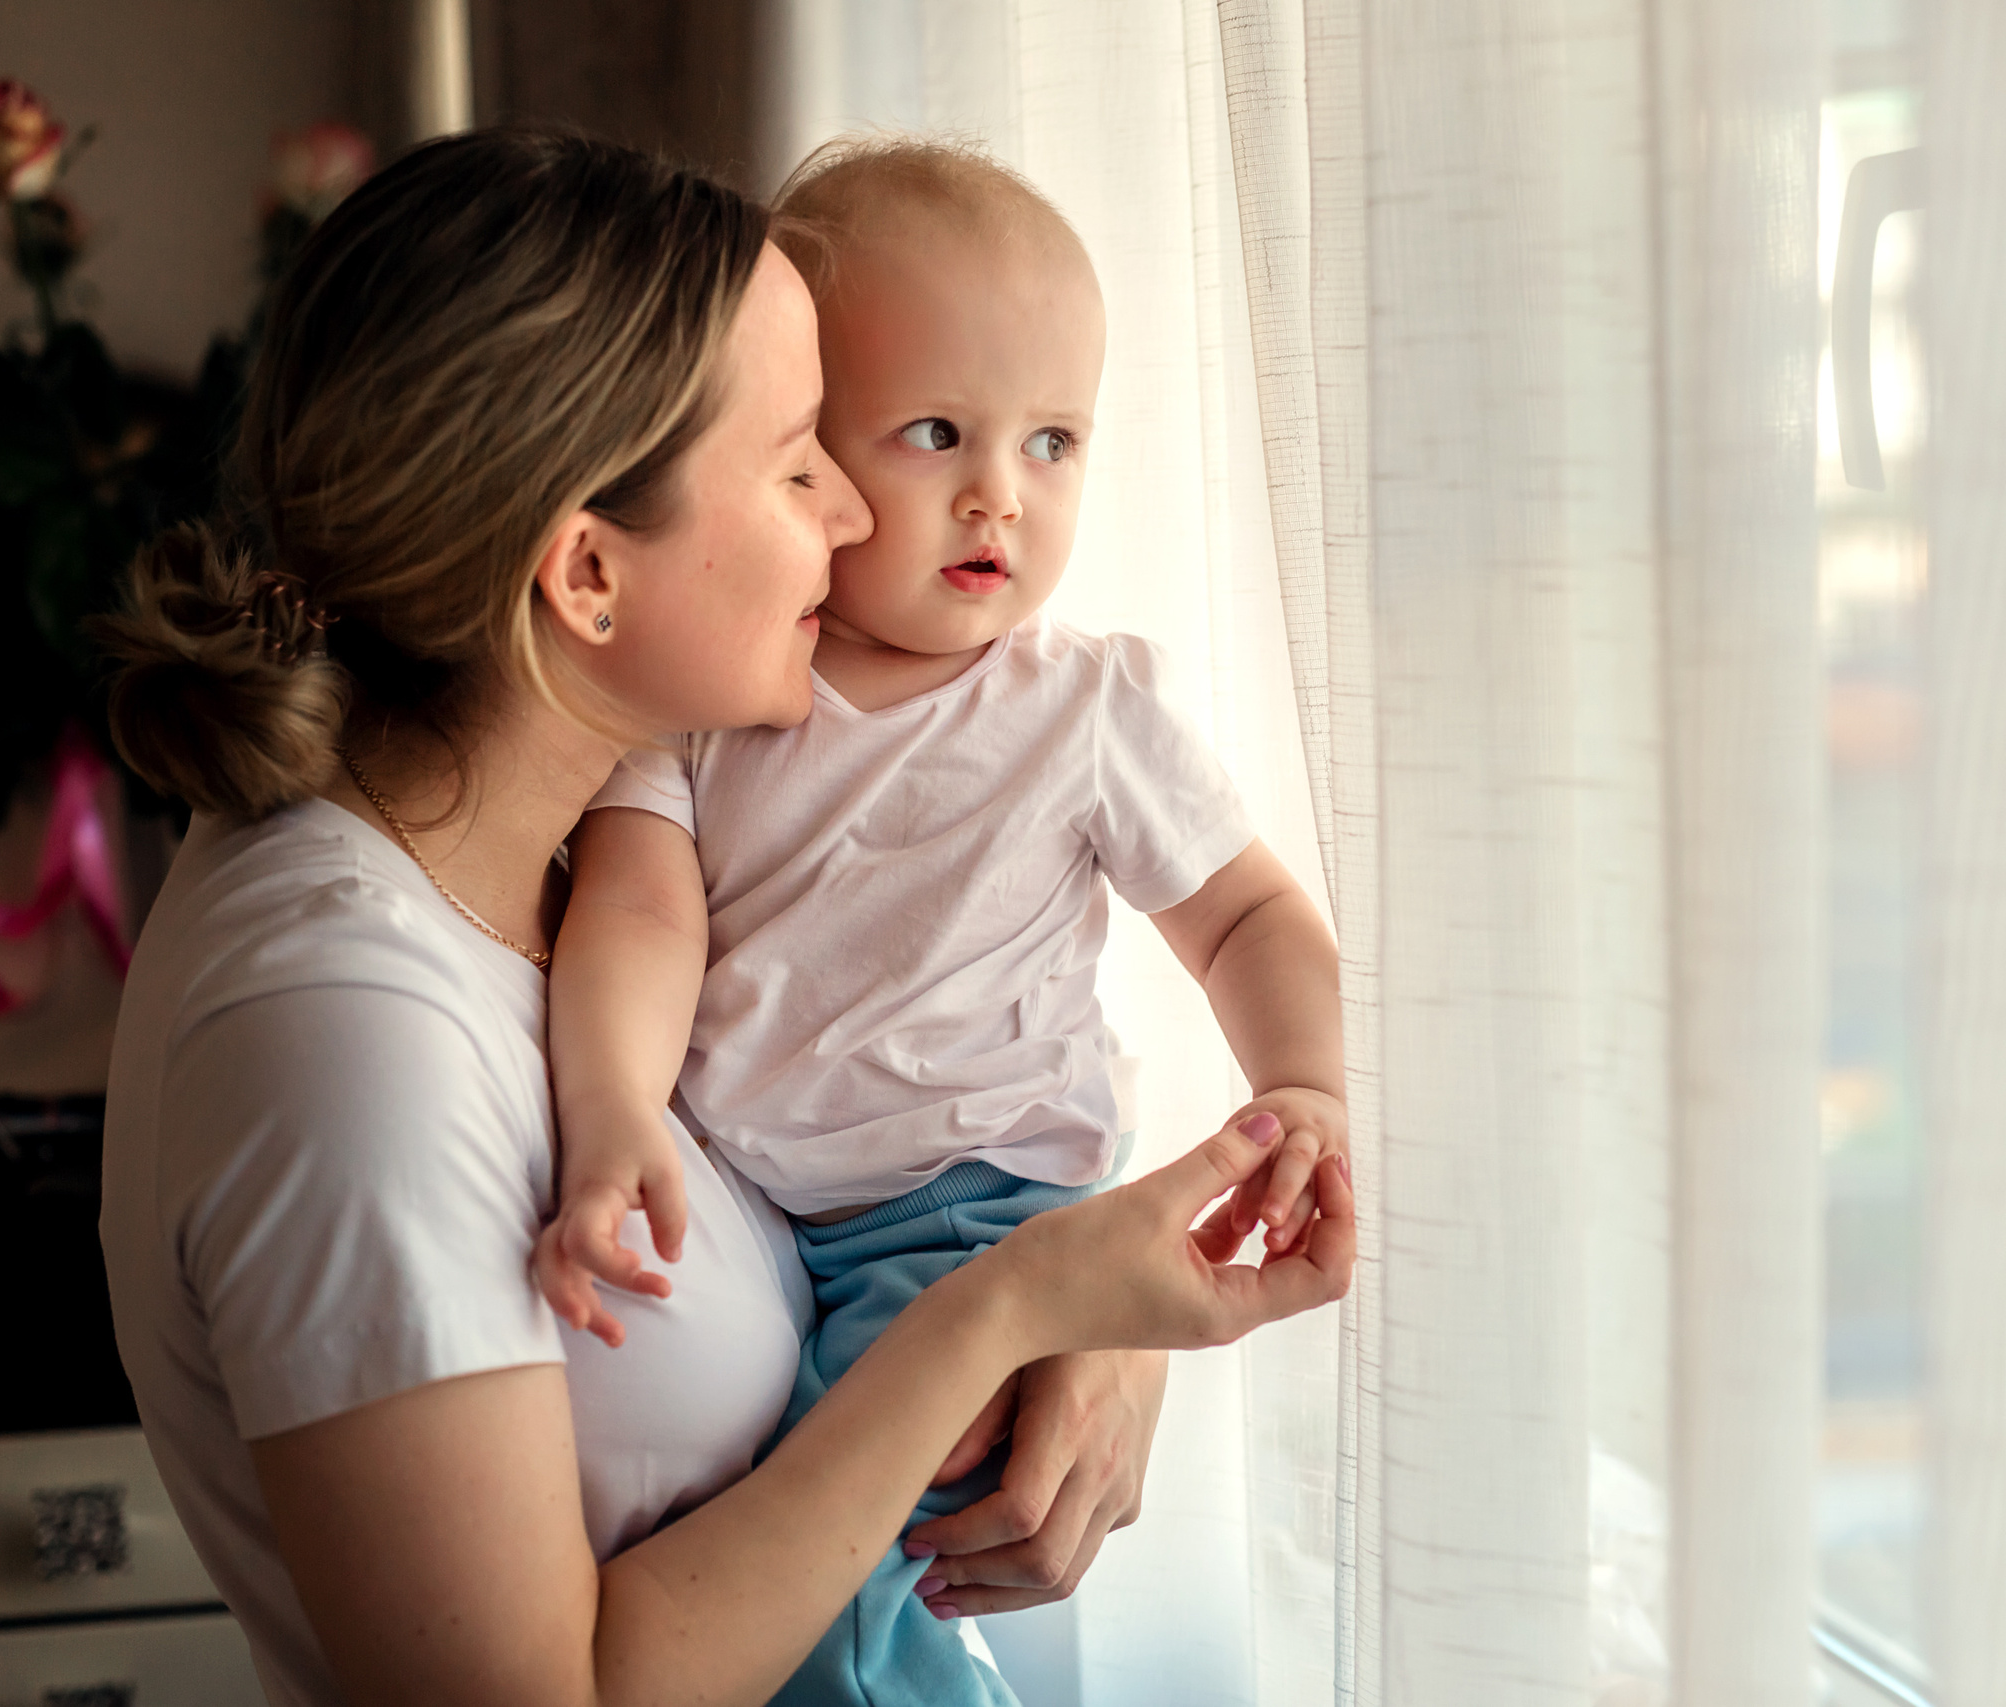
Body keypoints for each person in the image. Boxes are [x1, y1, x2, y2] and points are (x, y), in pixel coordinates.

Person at [95, 128, 1352, 1707]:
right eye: (799, 454)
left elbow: (945, 1031)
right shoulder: (340, 1036)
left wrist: (1082, 1311)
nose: (848, 515)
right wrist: (1025, 1304)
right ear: (588, 576)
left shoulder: (549, 850)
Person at [532, 137, 1351, 1706]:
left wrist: (1301, 1087)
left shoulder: (1084, 707)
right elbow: (638, 911)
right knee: (802, 1540)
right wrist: (614, 1107)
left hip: (971, 1208)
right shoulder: (714, 700)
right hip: (776, 1218)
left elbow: (1247, 915)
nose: (1002, 496)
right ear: (809, 456)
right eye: (935, 434)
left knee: (847, 1587)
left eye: (1055, 442)